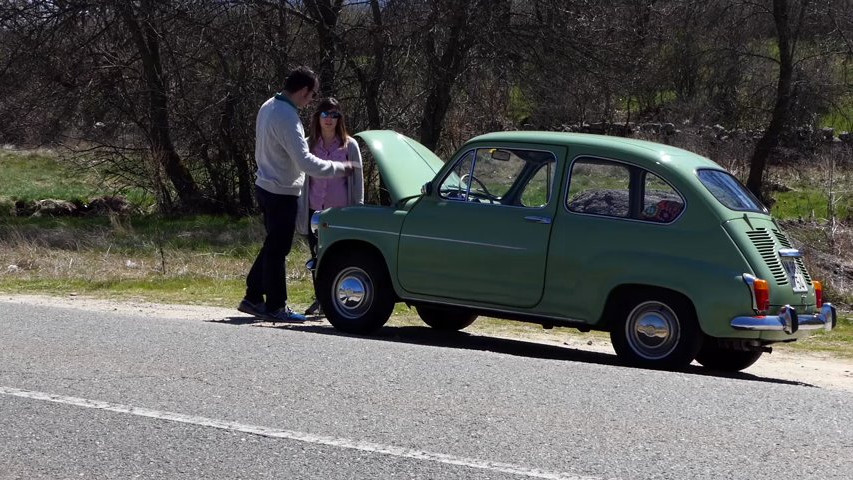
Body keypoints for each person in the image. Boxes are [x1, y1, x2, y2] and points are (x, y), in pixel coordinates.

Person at [239, 67, 352, 323]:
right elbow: (305, 162)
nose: (311, 100)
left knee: (272, 244)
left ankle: (253, 296)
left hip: (265, 184)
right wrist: (339, 168)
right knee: (279, 249)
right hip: (281, 190)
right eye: (311, 95)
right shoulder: (287, 117)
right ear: (303, 91)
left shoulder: (268, 105)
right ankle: (276, 306)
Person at [296, 97, 364, 315]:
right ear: (318, 117)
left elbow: (358, 180)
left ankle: (337, 302)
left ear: (339, 119)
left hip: (340, 213)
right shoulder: (307, 145)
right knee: (316, 257)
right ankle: (320, 301)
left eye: (334, 115)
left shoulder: (349, 145)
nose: (329, 119)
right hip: (314, 209)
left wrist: (357, 210)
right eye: (325, 114)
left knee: (339, 257)